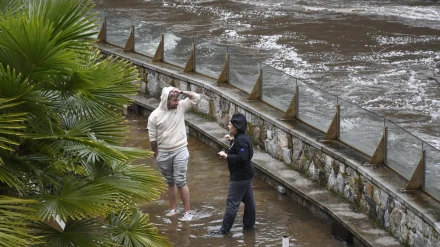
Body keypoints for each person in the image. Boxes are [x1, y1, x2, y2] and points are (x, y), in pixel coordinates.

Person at [147, 86, 201, 221]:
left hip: (180, 149)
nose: (177, 102)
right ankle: (173, 209)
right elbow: (152, 139)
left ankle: (187, 212)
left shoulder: (181, 107)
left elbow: (196, 97)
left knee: (181, 180)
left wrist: (181, 92)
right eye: (174, 100)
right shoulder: (154, 116)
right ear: (166, 100)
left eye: (178, 100)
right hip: (164, 153)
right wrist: (156, 153)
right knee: (170, 182)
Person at [211, 113, 256, 235]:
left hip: (240, 177)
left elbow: (243, 157)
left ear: (236, 127)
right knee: (248, 200)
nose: (228, 126)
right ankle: (249, 225)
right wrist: (231, 141)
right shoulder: (241, 137)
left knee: (232, 203)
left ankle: (224, 230)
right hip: (246, 175)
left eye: (230, 124)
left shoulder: (241, 140)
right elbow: (241, 149)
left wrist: (226, 156)